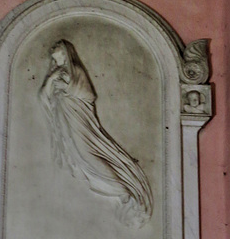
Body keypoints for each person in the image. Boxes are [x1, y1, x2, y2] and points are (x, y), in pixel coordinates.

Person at [39, 40, 153, 228]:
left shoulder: (76, 71)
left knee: (87, 153)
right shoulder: (56, 74)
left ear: (66, 54)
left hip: (80, 122)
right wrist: (52, 80)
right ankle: (114, 188)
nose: (56, 60)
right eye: (54, 58)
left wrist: (66, 88)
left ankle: (120, 188)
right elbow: (44, 95)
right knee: (76, 156)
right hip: (65, 123)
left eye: (58, 56)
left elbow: (87, 95)